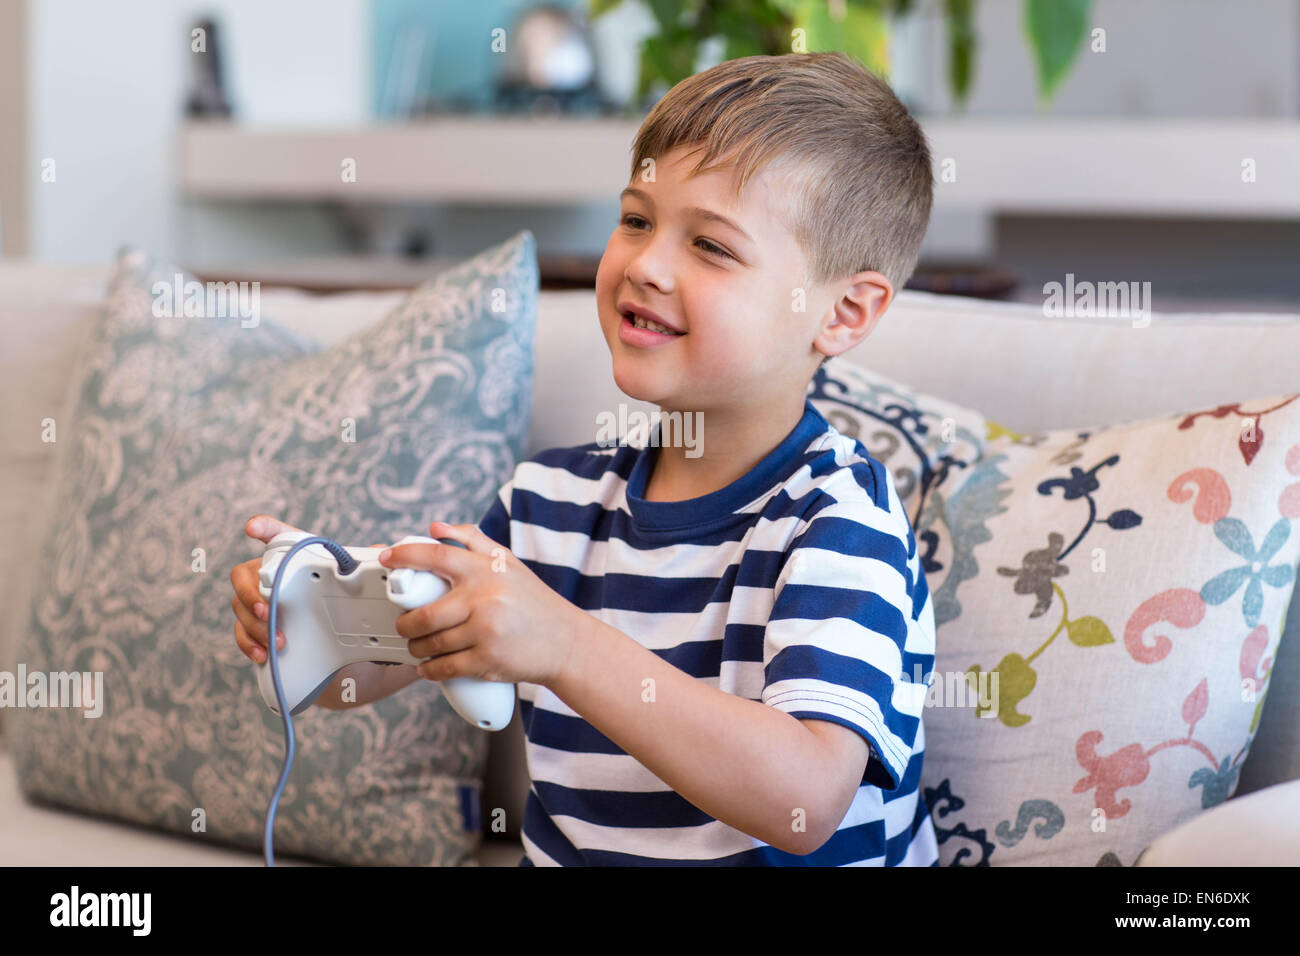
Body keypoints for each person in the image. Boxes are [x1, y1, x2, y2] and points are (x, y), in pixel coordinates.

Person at [231, 51, 938, 866]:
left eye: (710, 246)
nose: (644, 264)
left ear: (845, 311)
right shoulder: (547, 501)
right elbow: (363, 680)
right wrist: (309, 617)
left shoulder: (840, 523)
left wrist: (562, 645)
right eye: (636, 220)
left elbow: (804, 802)